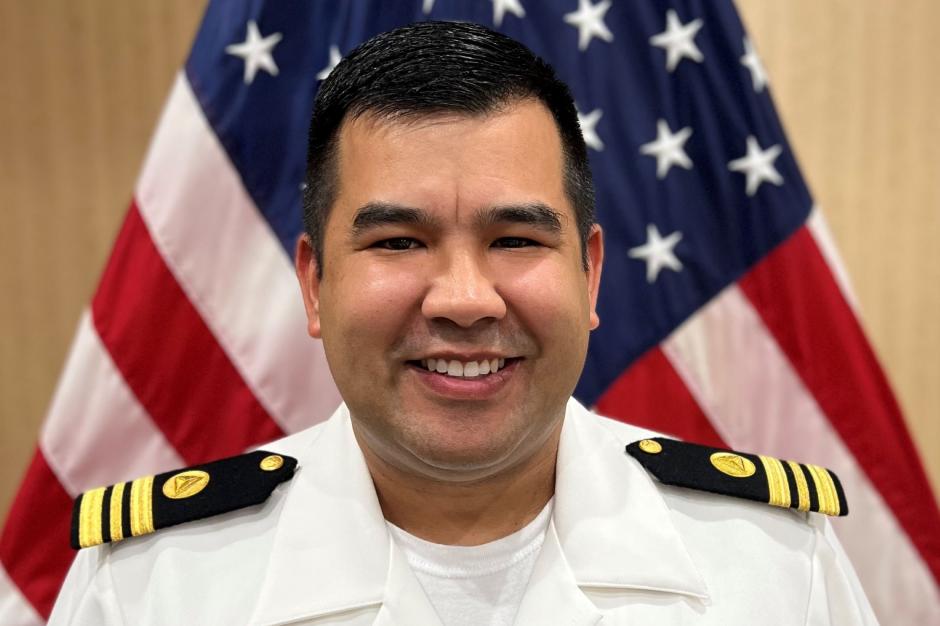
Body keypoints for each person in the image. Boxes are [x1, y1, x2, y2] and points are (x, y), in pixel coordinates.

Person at [50, 21, 878, 625]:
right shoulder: (151, 589)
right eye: (399, 241)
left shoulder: (774, 566)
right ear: (314, 283)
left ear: (590, 273)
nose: (464, 298)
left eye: (515, 239)